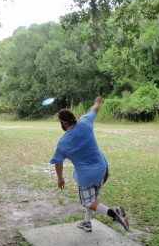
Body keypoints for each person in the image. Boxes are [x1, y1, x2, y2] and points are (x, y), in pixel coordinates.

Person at [50, 96, 129, 232]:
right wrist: (97, 101)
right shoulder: (85, 122)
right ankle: (87, 222)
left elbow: (58, 163)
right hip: (103, 169)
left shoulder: (63, 142)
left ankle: (113, 212)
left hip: (87, 176)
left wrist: (60, 178)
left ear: (63, 123)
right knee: (92, 198)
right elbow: (95, 109)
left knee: (87, 201)